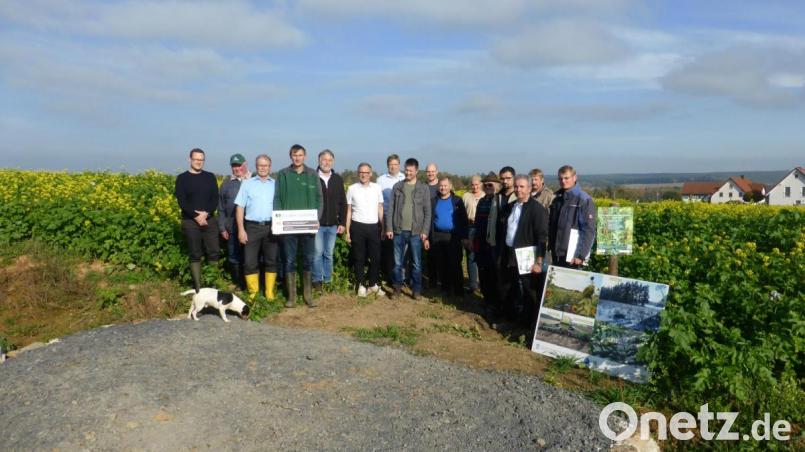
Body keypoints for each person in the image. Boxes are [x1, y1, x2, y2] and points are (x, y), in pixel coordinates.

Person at [274, 144, 323, 308]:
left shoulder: (312, 174)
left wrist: (318, 218)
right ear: (291, 156)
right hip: (288, 226)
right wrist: (278, 221)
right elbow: (278, 198)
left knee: (308, 259)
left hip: (308, 225)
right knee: (289, 260)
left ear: (305, 156)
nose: (297, 158)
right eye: (294, 155)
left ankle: (308, 295)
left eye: (300, 155)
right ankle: (291, 297)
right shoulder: (283, 174)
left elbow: (319, 198)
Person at [499, 174, 549, 331]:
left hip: (528, 256)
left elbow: (542, 237)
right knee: (509, 287)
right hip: (509, 253)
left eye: (522, 187)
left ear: (529, 188)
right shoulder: (511, 206)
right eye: (516, 186)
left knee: (530, 291)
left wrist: (539, 261)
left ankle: (530, 326)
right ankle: (510, 320)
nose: (518, 189)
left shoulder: (537, 210)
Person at [385, 158, 431, 300]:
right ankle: (397, 288)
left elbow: (427, 211)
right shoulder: (397, 187)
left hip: (416, 232)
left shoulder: (423, 188)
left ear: (416, 171)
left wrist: (425, 231)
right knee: (397, 262)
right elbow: (391, 208)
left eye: (411, 170)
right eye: (406, 170)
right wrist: (389, 227)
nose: (408, 173)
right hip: (398, 230)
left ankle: (416, 290)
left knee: (416, 263)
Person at [174, 148, 219, 292]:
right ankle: (198, 288)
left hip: (209, 219)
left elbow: (215, 198)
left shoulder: (210, 177)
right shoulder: (182, 178)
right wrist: (196, 216)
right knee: (195, 253)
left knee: (213, 252)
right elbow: (182, 201)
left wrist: (206, 214)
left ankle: (212, 286)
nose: (199, 162)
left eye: (201, 159)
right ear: (190, 160)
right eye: (196, 159)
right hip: (190, 221)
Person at [235, 154, 279, 300]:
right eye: (260, 165)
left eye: (266, 165)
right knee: (249, 261)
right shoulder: (247, 184)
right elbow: (240, 208)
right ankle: (253, 293)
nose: (263, 168)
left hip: (271, 227)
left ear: (270, 167)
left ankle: (269, 292)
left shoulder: (276, 185)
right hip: (251, 227)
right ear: (256, 166)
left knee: (271, 260)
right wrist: (241, 229)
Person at [345, 163, 385, 297]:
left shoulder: (377, 188)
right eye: (361, 172)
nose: (364, 175)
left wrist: (383, 227)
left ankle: (373, 284)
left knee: (376, 257)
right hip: (357, 227)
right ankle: (361, 284)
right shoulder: (352, 189)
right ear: (358, 173)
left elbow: (380, 208)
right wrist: (348, 231)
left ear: (371, 174)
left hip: (373, 227)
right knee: (359, 257)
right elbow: (349, 211)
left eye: (367, 172)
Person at [548, 165, 596, 268]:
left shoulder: (583, 200)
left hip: (573, 257)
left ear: (574, 177)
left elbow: (588, 230)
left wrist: (580, 255)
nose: (563, 181)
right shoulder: (557, 199)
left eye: (566, 178)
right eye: (560, 178)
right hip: (556, 254)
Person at [312, 149, 347, 291]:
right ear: (319, 161)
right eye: (324, 160)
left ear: (333, 162)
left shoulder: (338, 179)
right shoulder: (312, 177)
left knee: (329, 254)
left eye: (329, 160)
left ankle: (327, 280)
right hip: (317, 224)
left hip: (333, 224)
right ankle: (316, 280)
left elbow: (343, 203)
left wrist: (343, 223)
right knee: (317, 253)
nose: (326, 162)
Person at [429, 178, 469, 297]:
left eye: (445, 186)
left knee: (455, 264)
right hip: (438, 236)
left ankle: (458, 290)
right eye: (441, 186)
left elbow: (463, 220)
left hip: (453, 236)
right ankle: (445, 289)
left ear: (450, 187)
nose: (443, 188)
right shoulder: (433, 201)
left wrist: (464, 236)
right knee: (441, 264)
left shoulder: (457, 200)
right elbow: (430, 219)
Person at [218, 153, 251, 289]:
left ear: (245, 164)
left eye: (239, 165)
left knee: (250, 255)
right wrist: (222, 227)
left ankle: (252, 283)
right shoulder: (226, 185)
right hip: (231, 226)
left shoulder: (253, 180)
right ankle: (239, 283)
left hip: (250, 226)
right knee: (234, 255)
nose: (237, 169)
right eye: (234, 166)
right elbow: (221, 208)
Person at [376, 154, 404, 286]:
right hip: (387, 219)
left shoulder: (405, 178)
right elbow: (378, 202)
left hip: (402, 220)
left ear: (399, 165)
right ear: (387, 165)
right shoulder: (380, 180)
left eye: (395, 164)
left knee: (402, 250)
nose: (393, 167)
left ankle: (403, 277)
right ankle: (390, 277)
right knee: (389, 250)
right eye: (390, 164)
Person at [474, 172, 500, 307]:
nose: (488, 187)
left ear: (496, 185)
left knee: (493, 274)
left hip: (492, 243)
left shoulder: (499, 201)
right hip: (480, 241)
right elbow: (477, 221)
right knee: (482, 272)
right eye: (486, 185)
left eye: (491, 184)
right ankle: (486, 299)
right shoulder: (482, 201)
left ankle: (494, 303)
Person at [461, 174, 484, 292]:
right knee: (470, 255)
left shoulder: (485, 196)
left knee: (481, 255)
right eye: (473, 184)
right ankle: (473, 283)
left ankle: (483, 282)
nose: (475, 187)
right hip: (469, 226)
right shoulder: (466, 196)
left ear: (481, 184)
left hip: (482, 228)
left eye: (477, 184)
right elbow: (461, 213)